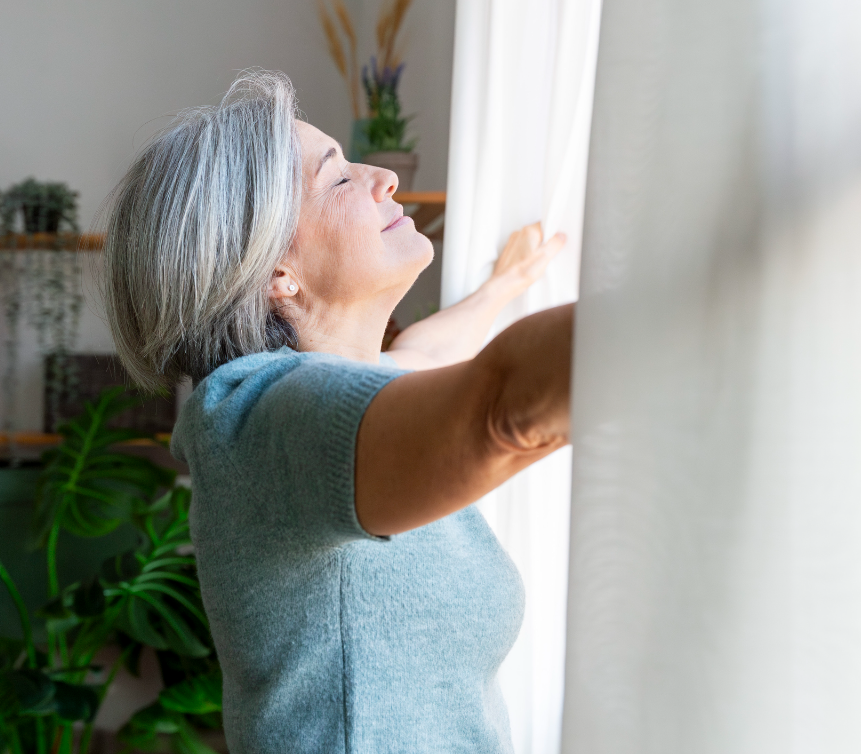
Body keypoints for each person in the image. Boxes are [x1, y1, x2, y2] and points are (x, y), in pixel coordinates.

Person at [101, 70, 572, 754]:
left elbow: (424, 353)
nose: (383, 175)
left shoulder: (325, 404)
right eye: (340, 180)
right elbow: (500, 412)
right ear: (273, 273)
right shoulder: (259, 419)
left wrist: (506, 285)